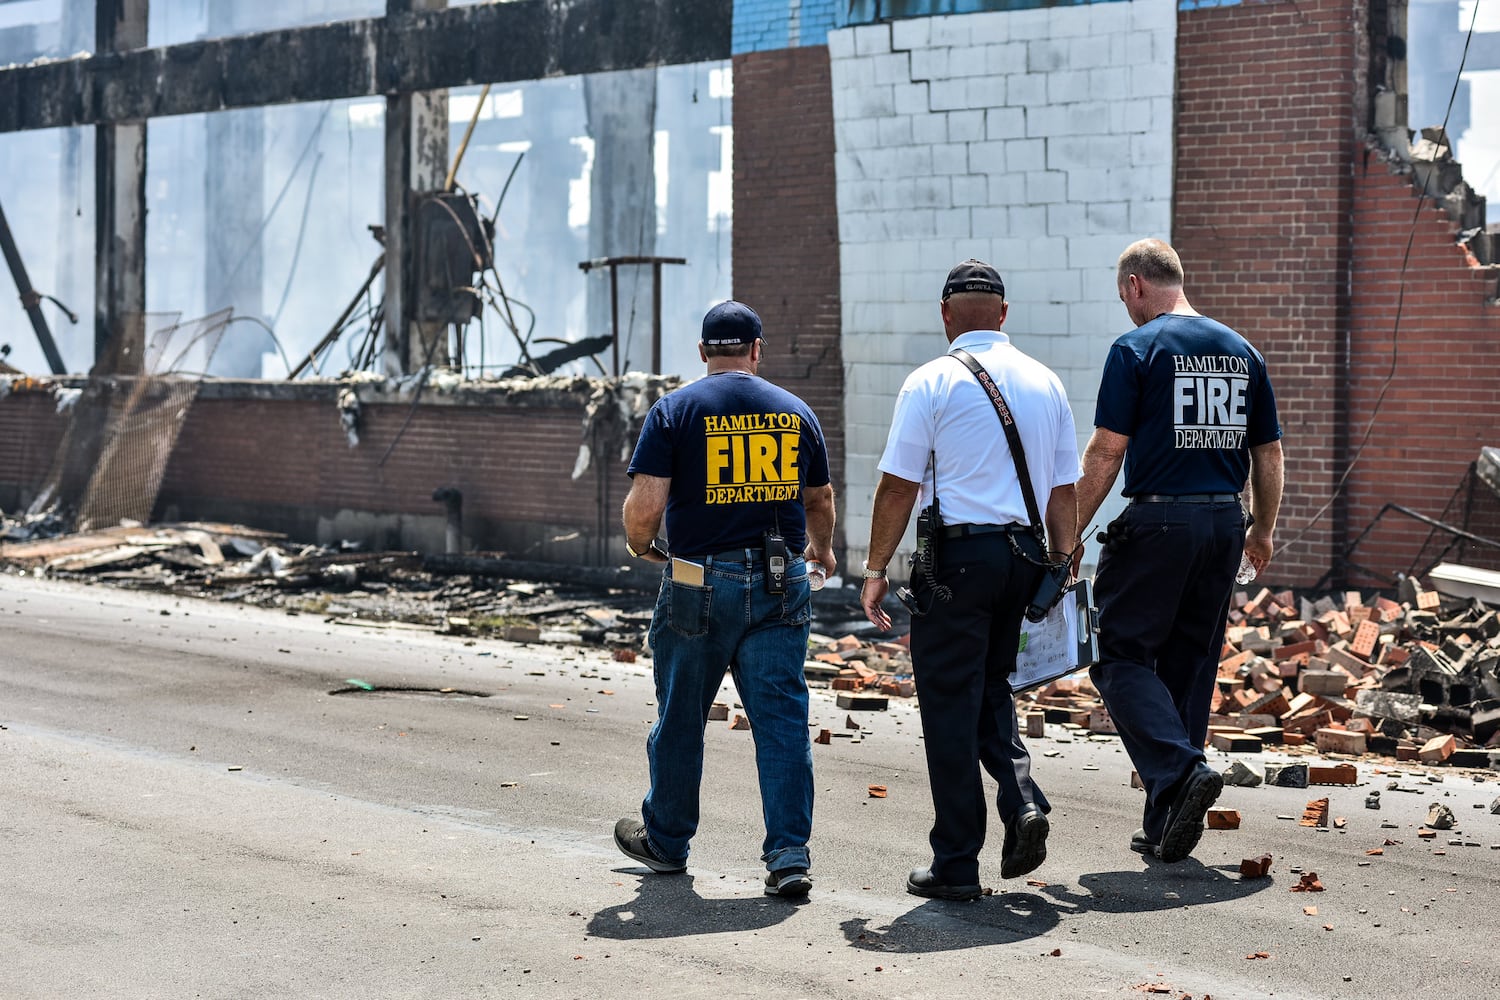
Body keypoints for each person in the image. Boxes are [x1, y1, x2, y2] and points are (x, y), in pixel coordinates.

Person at [860, 260, 1080, 900]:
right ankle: (1022, 804)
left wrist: (876, 570)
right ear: (1005, 315)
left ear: (946, 313)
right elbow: (1063, 489)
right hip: (1025, 562)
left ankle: (957, 862)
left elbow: (898, 485)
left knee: (949, 707)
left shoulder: (930, 382)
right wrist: (1063, 566)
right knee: (990, 691)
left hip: (958, 565)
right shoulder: (1046, 383)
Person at [614, 299, 838, 898]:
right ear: (757, 350)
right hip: (780, 580)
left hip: (697, 581)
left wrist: (647, 551)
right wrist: (823, 552)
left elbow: (643, 513)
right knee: (782, 721)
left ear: (704, 352)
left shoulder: (674, 411)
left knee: (682, 715)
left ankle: (666, 840)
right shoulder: (796, 413)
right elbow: (819, 500)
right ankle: (789, 855)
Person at [1075, 238, 1284, 864]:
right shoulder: (1243, 351)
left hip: (1159, 524)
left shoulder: (1135, 349)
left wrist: (1068, 538)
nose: (1126, 310)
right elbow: (1268, 454)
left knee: (1117, 654)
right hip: (1225, 523)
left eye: (1124, 298)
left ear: (1136, 286)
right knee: (1189, 668)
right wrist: (1263, 530)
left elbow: (1108, 451)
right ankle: (1167, 822)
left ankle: (1180, 767)